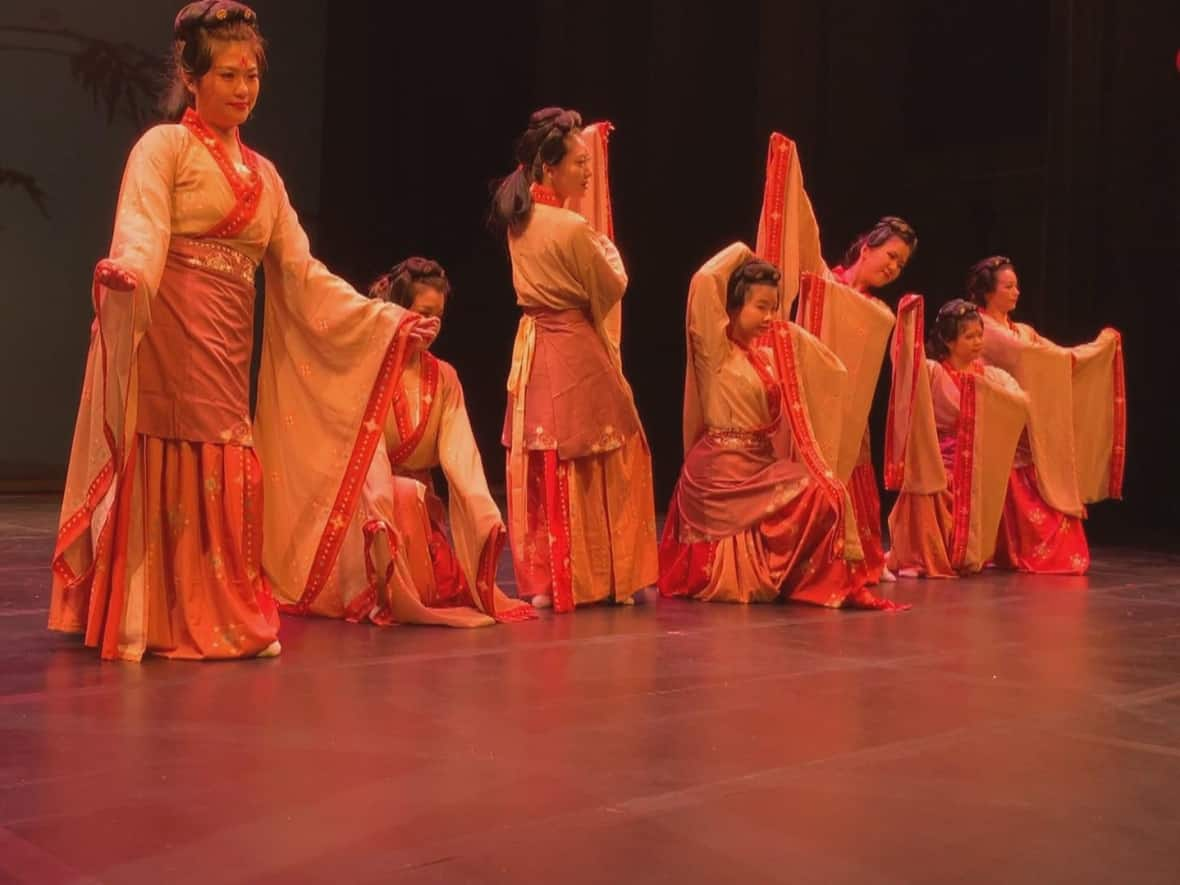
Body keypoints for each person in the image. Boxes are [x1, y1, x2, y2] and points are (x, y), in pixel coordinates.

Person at [48, 1, 436, 660]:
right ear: (192, 77)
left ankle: (220, 607)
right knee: (171, 456)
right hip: (170, 338)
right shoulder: (163, 148)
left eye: (251, 76)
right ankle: (156, 615)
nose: (242, 89)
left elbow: (303, 274)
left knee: (229, 463)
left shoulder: (266, 178)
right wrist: (129, 272)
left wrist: (387, 319)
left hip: (227, 352)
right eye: (228, 75)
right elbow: (143, 230)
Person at [659, 245, 908, 611]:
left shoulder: (769, 353)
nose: (768, 316)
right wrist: (745, 253)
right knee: (823, 492)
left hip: (760, 464)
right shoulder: (714, 350)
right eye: (760, 306)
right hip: (721, 470)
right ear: (731, 309)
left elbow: (828, 372)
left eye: (773, 307)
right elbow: (704, 280)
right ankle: (774, 576)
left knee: (829, 493)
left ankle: (801, 579)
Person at [491, 108, 658, 612]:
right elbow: (612, 285)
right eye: (580, 163)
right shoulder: (571, 227)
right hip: (573, 346)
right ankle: (597, 579)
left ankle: (545, 581)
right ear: (549, 166)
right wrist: (606, 248)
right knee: (605, 451)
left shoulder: (518, 222)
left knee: (542, 457)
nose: (587, 172)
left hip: (534, 345)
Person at [969, 256, 1126, 574]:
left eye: (1017, 286)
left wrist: (1096, 349)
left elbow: (1057, 357)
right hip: (998, 420)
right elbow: (1031, 358)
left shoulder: (1022, 330)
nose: (1016, 292)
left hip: (1027, 424)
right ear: (988, 291)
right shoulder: (982, 327)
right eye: (1008, 286)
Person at [883, 298, 1028, 577]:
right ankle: (922, 554)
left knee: (1010, 475)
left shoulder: (990, 376)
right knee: (926, 479)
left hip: (976, 466)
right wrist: (908, 324)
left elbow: (1018, 404)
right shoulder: (934, 372)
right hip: (941, 462)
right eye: (969, 336)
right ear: (949, 342)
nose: (977, 342)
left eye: (979, 336)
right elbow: (906, 367)